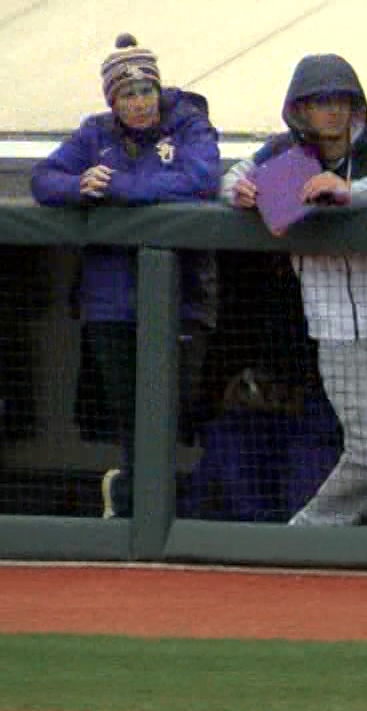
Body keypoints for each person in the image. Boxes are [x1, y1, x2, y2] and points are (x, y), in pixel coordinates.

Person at [221, 54, 367, 528]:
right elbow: (229, 178)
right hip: (337, 327)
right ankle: (304, 535)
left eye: (341, 100)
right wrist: (236, 191)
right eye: (320, 102)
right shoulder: (284, 153)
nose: (332, 111)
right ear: (300, 110)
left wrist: (358, 190)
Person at [31, 33, 220, 518]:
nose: (138, 104)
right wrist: (79, 184)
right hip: (109, 303)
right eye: (127, 95)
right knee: (128, 413)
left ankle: (136, 499)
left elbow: (202, 180)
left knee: (171, 410)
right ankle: (142, 509)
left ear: (159, 90)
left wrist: (120, 187)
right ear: (112, 102)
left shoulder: (190, 125)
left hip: (181, 298)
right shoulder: (94, 134)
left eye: (145, 92)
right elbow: (42, 180)